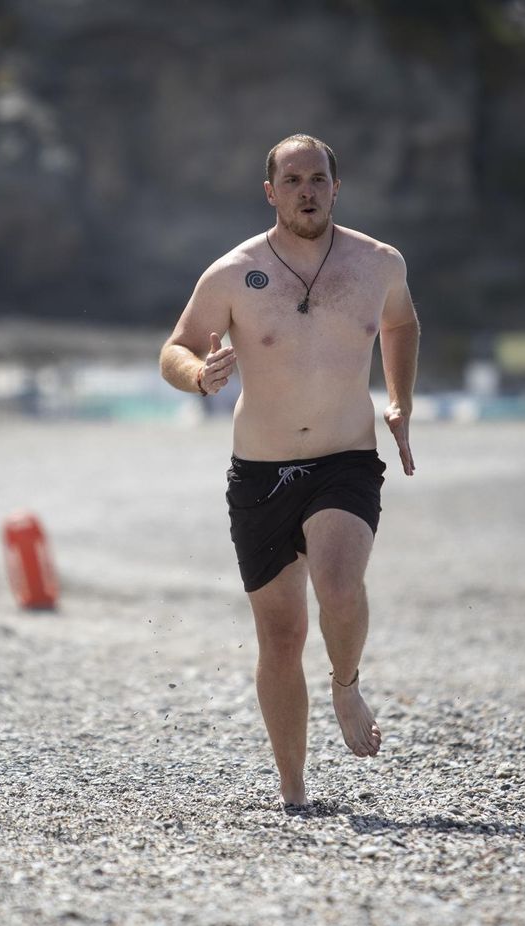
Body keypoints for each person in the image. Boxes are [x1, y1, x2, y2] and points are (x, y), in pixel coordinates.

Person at [159, 134, 419, 812]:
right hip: (261, 470)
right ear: (270, 191)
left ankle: (345, 681)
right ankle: (294, 788)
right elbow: (176, 348)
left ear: (337, 185)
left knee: (338, 584)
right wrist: (198, 373)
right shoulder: (232, 272)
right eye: (293, 179)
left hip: (345, 459)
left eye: (319, 177)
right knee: (280, 635)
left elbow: (401, 323)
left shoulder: (378, 263)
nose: (308, 189)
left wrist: (400, 400)